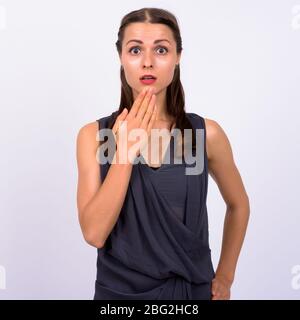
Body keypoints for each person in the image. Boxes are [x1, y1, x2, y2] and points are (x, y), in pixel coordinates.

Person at [76, 7, 250, 300]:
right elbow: (94, 233)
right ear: (121, 56)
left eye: (160, 49)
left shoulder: (206, 134)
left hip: (191, 294)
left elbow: (239, 205)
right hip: (120, 298)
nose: (147, 62)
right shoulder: (94, 136)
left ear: (178, 56)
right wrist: (125, 153)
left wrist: (225, 276)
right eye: (134, 50)